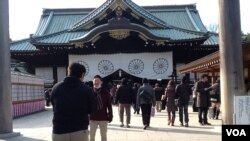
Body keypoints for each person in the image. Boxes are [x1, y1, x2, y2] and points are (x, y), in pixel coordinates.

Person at [51, 62, 97, 141]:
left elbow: (53, 106)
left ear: (68, 72)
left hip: (59, 129)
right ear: (82, 75)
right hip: (80, 129)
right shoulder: (87, 89)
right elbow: (92, 109)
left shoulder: (56, 87)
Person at [90, 75, 113, 141]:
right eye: (95, 81)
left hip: (103, 118)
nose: (96, 83)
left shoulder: (106, 93)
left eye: (97, 81)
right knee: (91, 136)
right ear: (92, 82)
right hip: (92, 118)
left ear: (101, 82)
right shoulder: (90, 92)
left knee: (103, 136)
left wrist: (110, 116)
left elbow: (109, 105)